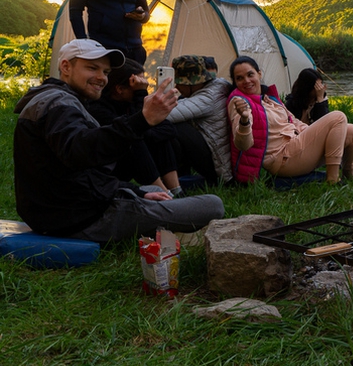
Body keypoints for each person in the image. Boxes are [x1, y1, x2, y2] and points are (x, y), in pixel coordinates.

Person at [13, 39, 224, 243]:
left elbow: (81, 174)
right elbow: (79, 151)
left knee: (150, 191)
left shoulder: (54, 99)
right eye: (92, 68)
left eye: (105, 72)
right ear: (66, 67)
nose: (101, 78)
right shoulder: (58, 103)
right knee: (213, 205)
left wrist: (134, 191)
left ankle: (151, 209)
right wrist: (142, 119)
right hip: (79, 218)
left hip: (65, 208)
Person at [227, 56, 353, 184]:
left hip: (296, 146)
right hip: (283, 159)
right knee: (338, 117)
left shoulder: (268, 99)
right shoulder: (240, 102)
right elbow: (243, 145)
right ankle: (332, 179)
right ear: (235, 82)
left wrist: (316, 135)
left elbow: (294, 121)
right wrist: (244, 119)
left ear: (259, 74)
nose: (246, 81)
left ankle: (348, 173)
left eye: (250, 75)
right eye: (240, 78)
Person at [86, 58, 182, 196]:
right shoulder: (99, 109)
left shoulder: (129, 101)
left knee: (159, 138)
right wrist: (140, 95)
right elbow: (130, 131)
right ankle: (164, 193)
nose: (143, 88)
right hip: (108, 169)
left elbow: (169, 129)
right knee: (132, 140)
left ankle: (176, 190)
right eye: (137, 84)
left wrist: (146, 131)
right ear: (120, 89)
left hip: (131, 161)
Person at [167, 55, 233, 185]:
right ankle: (179, 176)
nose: (177, 87)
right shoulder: (216, 86)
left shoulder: (208, 97)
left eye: (180, 83)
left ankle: (175, 179)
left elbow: (166, 115)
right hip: (218, 157)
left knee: (174, 128)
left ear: (192, 83)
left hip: (222, 170)